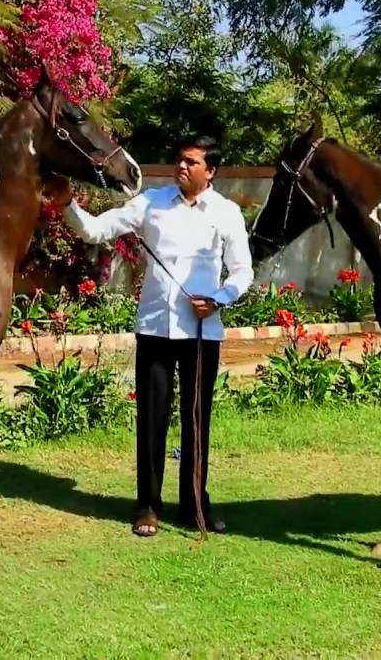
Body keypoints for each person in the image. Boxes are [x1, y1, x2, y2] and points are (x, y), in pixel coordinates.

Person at [46, 135, 254, 537]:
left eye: (192, 162)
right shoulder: (151, 203)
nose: (182, 166)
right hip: (155, 329)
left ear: (210, 171)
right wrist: (68, 204)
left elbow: (242, 270)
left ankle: (194, 505)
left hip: (201, 332)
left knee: (197, 421)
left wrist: (220, 298)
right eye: (180, 160)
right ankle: (147, 506)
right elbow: (95, 230)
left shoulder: (226, 213)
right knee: (151, 419)